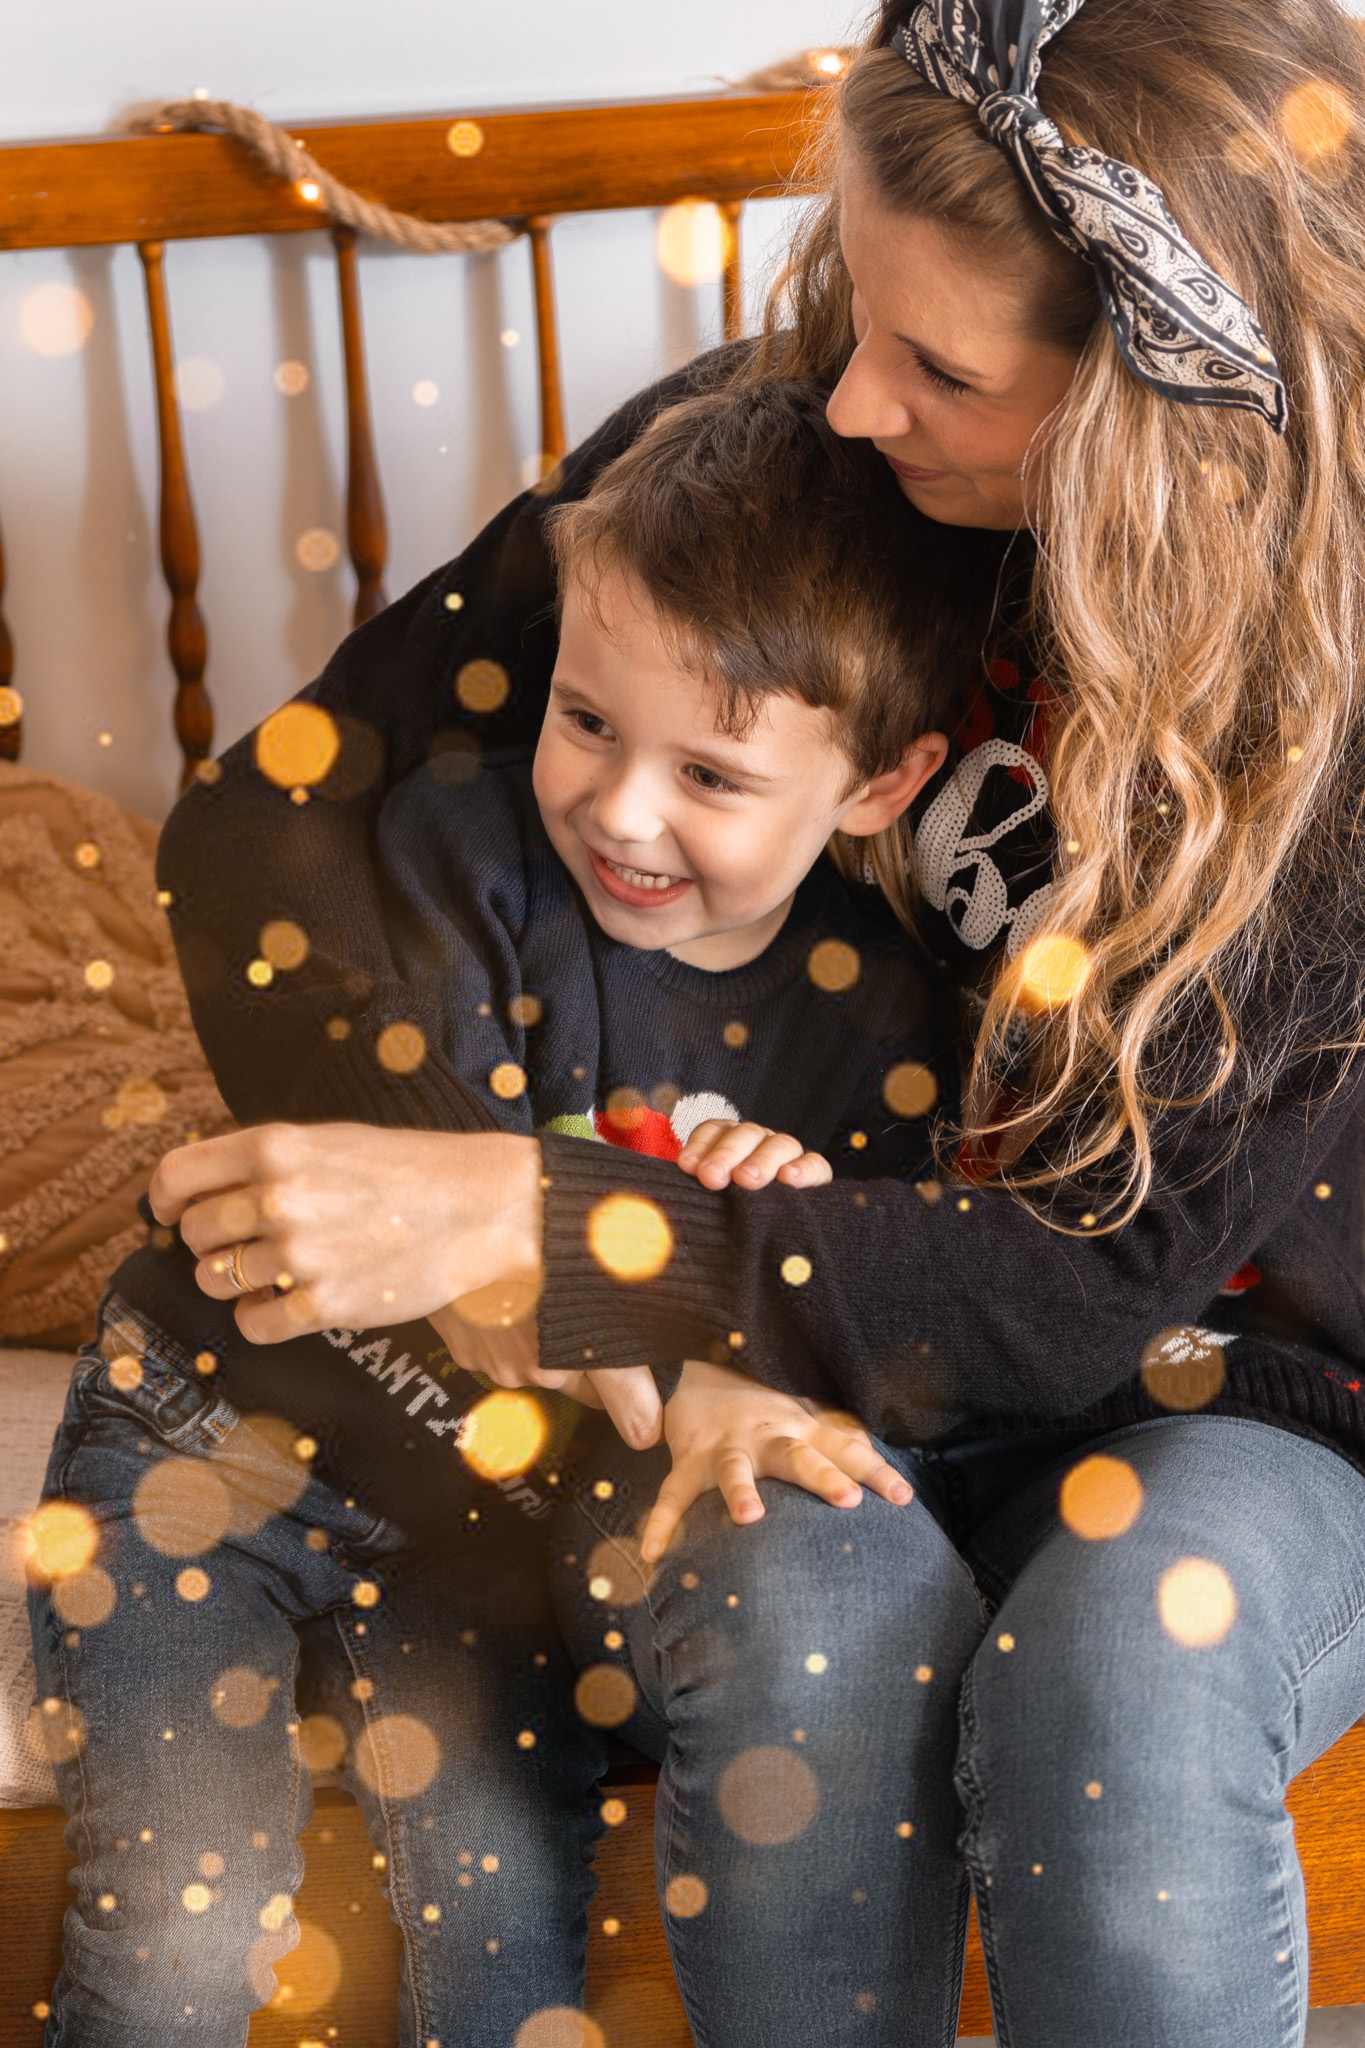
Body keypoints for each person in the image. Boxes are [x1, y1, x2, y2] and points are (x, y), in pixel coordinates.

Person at [104, 0, 1365, 2041]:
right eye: (852, 308)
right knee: (805, 1639)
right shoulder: (800, 453)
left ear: (1149, 413)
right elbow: (271, 823)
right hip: (809, 1323)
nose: (849, 398)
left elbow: (1073, 1297)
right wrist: (481, 1194)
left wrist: (564, 1235)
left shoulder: (1323, 717)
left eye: (940, 367)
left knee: (1118, 1699)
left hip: (1227, 1379)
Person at [26, 376, 984, 2047]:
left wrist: (760, 1263)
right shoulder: (455, 856)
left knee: (504, 1950)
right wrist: (659, 1273)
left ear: (879, 786)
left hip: (477, 1542)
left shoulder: (882, 1021)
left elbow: (830, 1301)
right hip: (211, 1445)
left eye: (710, 772)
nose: (621, 808)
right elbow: (431, 1190)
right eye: (588, 720)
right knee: (186, 1923)